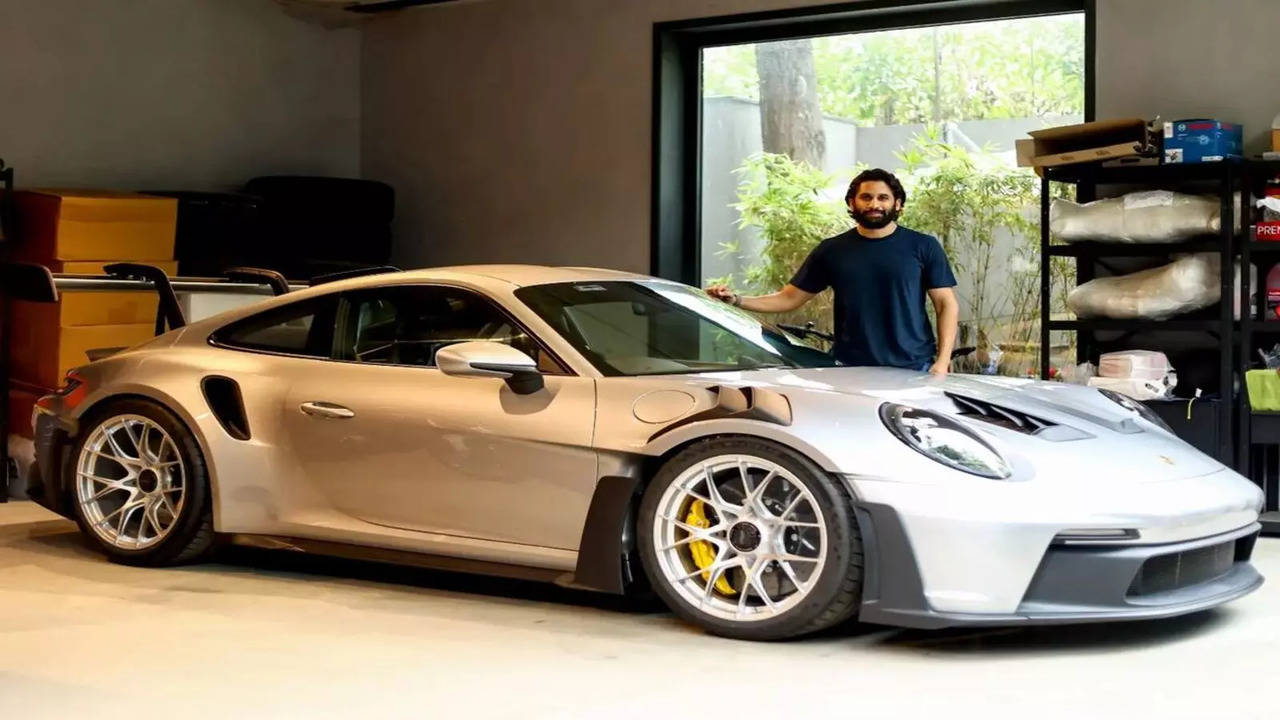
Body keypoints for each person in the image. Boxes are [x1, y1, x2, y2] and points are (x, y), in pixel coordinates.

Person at [707, 168, 959, 375]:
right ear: (852, 202)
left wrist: (942, 360)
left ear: (898, 204)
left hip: (915, 366)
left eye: (883, 198)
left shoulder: (923, 246)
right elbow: (789, 298)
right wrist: (737, 300)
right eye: (866, 197)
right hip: (849, 368)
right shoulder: (832, 250)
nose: (874, 204)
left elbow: (945, 305)